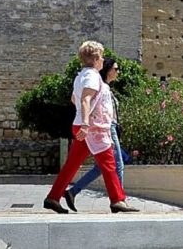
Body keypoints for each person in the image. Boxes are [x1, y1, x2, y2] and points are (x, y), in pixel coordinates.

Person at [43, 41, 138, 214]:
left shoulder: (81, 76)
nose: (103, 60)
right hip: (93, 128)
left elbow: (75, 99)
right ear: (95, 59)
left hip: (83, 126)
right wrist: (87, 122)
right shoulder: (92, 76)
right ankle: (117, 200)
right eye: (101, 56)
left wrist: (82, 117)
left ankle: (53, 197)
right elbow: (86, 99)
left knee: (72, 164)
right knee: (109, 163)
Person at [63, 57, 128, 212]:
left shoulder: (106, 88)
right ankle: (120, 200)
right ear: (108, 69)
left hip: (108, 127)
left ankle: (72, 192)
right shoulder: (99, 85)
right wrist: (89, 118)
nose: (118, 72)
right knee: (117, 164)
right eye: (116, 69)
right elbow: (77, 99)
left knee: (102, 166)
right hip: (106, 128)